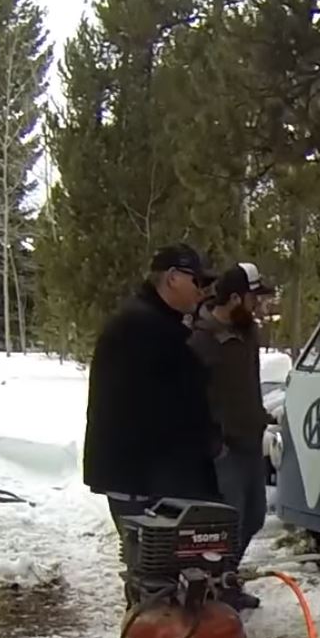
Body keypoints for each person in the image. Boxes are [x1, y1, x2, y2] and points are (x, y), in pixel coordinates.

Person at [83, 244, 223, 589]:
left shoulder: (158, 324)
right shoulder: (142, 328)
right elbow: (153, 411)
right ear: (172, 278)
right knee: (154, 572)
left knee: (162, 570)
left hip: (154, 476)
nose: (202, 291)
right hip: (143, 480)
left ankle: (163, 633)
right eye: (197, 281)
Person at [189, 262, 276, 610]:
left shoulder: (248, 333)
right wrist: (214, 441)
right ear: (236, 297)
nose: (258, 306)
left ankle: (227, 579)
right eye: (254, 299)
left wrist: (260, 416)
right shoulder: (201, 338)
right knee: (228, 522)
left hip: (250, 442)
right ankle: (213, 589)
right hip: (223, 449)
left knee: (254, 516)